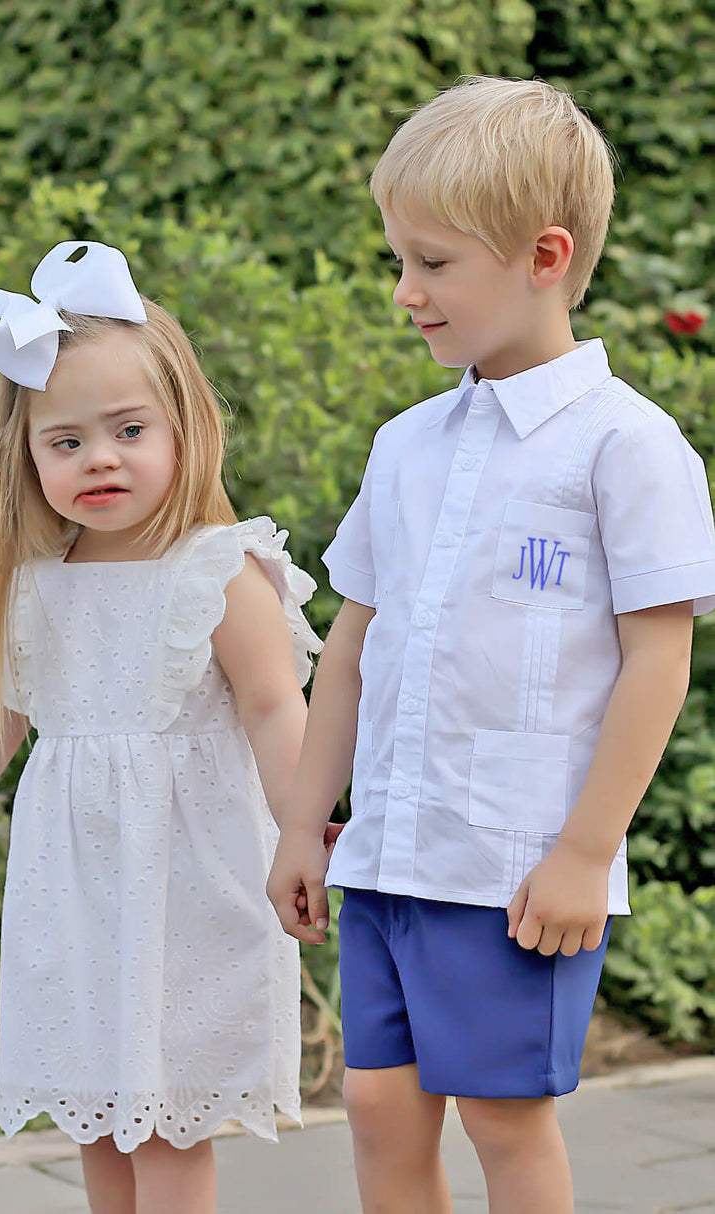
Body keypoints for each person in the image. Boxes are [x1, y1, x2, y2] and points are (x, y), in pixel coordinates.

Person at [266, 75, 715, 1214]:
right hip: (389, 857)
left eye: (432, 262)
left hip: (513, 868)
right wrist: (305, 823)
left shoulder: (626, 446)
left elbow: (657, 663)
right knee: (376, 1109)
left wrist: (584, 852)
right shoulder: (405, 446)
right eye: (398, 260)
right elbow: (352, 649)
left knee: (503, 1120)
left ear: (543, 256)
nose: (404, 291)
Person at [0, 241, 320, 1214]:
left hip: (185, 885)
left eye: (128, 429)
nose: (99, 458)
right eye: (65, 441)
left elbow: (275, 706)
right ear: (27, 456)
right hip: (75, 890)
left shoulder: (218, 569)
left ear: (185, 427)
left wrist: (303, 833)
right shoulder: (39, 584)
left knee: (164, 1122)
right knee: (98, 1118)